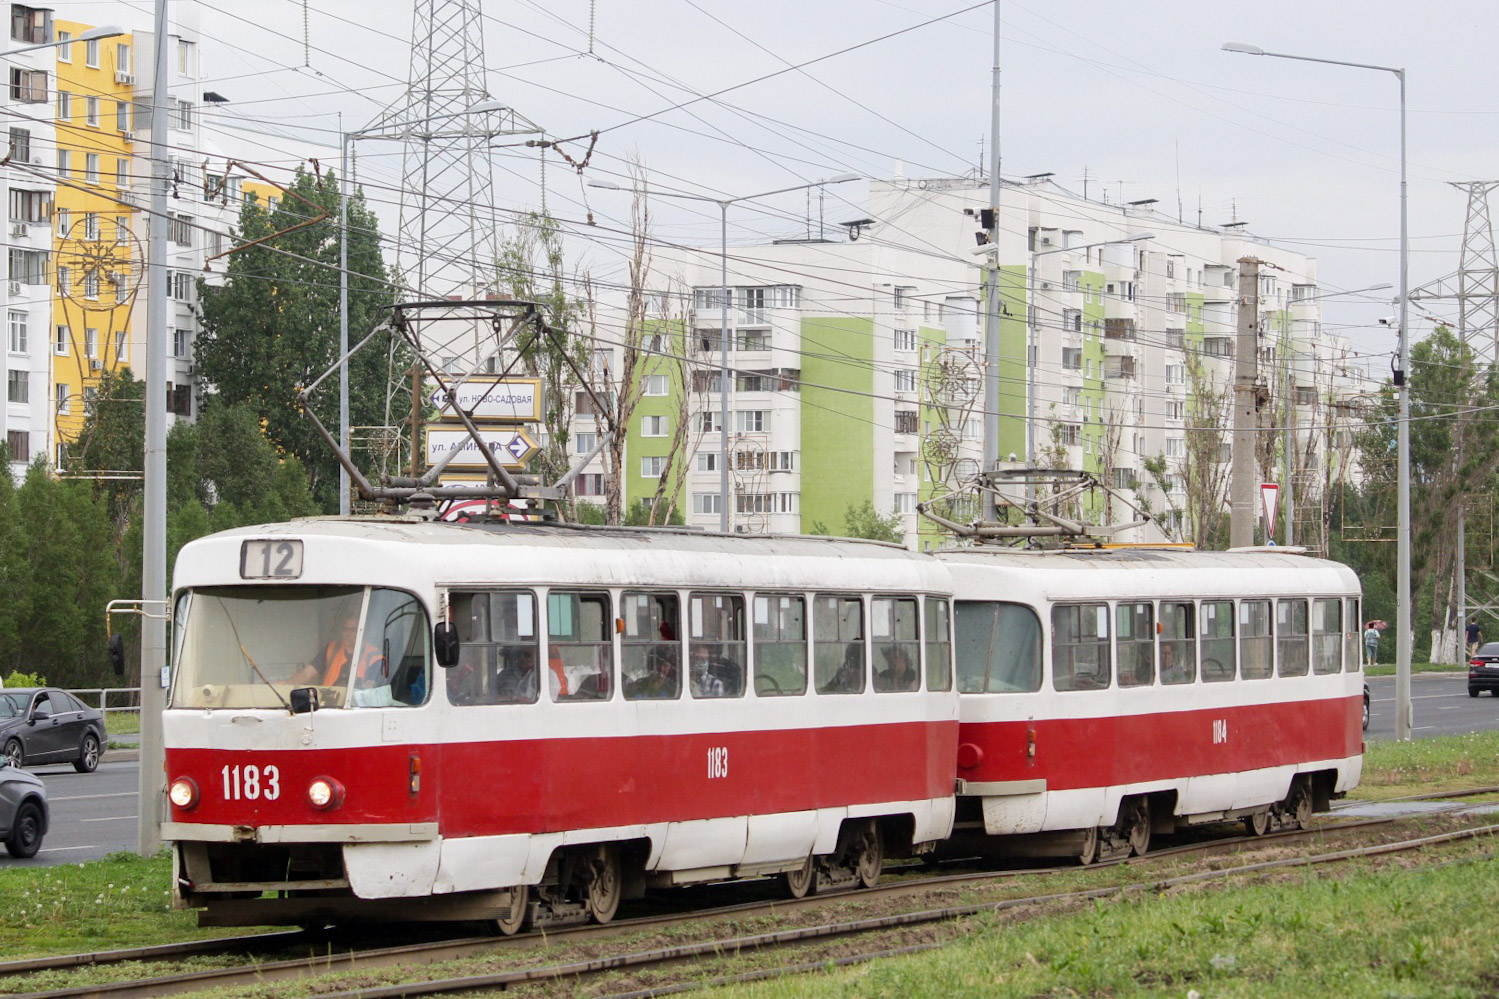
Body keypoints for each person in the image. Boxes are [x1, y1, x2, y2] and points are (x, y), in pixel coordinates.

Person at [291, 613, 384, 688]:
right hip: (328, 705)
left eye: (353, 630)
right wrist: (288, 683)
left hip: (357, 707)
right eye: (346, 629)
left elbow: (372, 686)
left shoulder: (373, 655)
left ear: (363, 630)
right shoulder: (331, 649)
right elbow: (307, 673)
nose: (348, 634)